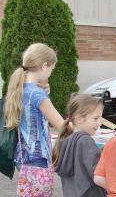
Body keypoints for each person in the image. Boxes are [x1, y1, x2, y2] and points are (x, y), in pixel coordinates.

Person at [4, 43, 64, 196]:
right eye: (51, 69)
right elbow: (61, 125)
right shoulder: (37, 95)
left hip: (22, 156)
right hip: (37, 159)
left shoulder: (21, 88)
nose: (51, 73)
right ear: (44, 66)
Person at [52, 94, 106, 197]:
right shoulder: (85, 141)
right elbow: (98, 172)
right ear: (79, 119)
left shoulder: (66, 140)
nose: (99, 123)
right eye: (95, 118)